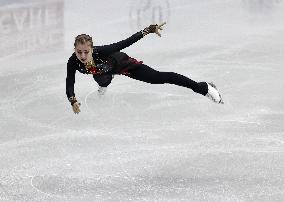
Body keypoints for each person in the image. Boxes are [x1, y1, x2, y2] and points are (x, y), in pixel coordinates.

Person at [66, 22, 224, 114]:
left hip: (122, 65)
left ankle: (204, 87)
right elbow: (70, 82)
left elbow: (125, 43)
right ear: (75, 50)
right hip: (104, 71)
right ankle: (105, 83)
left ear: (92, 49)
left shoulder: (103, 51)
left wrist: (147, 30)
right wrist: (72, 100)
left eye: (86, 51)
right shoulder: (73, 62)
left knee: (158, 78)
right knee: (101, 78)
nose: (83, 55)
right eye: (79, 52)